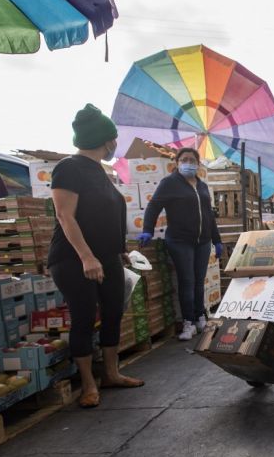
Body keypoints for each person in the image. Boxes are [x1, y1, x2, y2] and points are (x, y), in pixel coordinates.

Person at [49, 104, 144, 409]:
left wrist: (119, 251)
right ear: (104, 140)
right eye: (113, 138)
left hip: (108, 257)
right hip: (75, 259)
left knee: (114, 312)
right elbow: (65, 216)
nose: (115, 144)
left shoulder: (100, 172)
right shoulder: (69, 168)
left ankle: (112, 373)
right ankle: (89, 385)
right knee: (84, 317)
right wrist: (87, 258)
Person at [138, 148, 223, 341]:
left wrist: (217, 240)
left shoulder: (201, 185)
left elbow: (208, 215)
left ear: (198, 164)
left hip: (202, 241)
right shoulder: (169, 183)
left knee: (199, 280)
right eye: (184, 159)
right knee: (187, 281)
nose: (188, 163)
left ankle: (200, 316)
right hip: (179, 241)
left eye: (192, 160)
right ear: (177, 163)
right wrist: (147, 230)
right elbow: (153, 206)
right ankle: (188, 323)